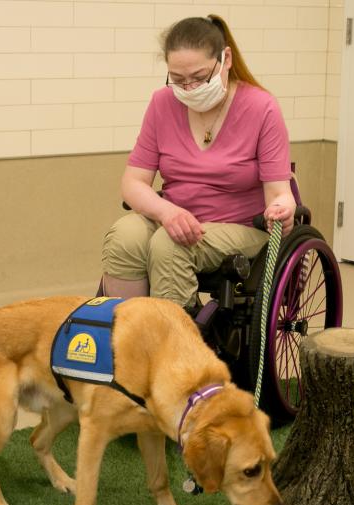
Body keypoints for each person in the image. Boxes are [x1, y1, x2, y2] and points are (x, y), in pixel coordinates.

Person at [99, 15, 296, 309]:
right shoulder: (162, 103)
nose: (189, 89)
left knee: (170, 244)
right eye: (178, 80)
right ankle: (127, 335)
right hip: (175, 219)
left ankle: (173, 346)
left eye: (200, 77)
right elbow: (133, 183)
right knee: (124, 236)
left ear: (225, 58)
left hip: (240, 227)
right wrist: (167, 212)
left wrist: (283, 208)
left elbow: (279, 193)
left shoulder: (261, 107)